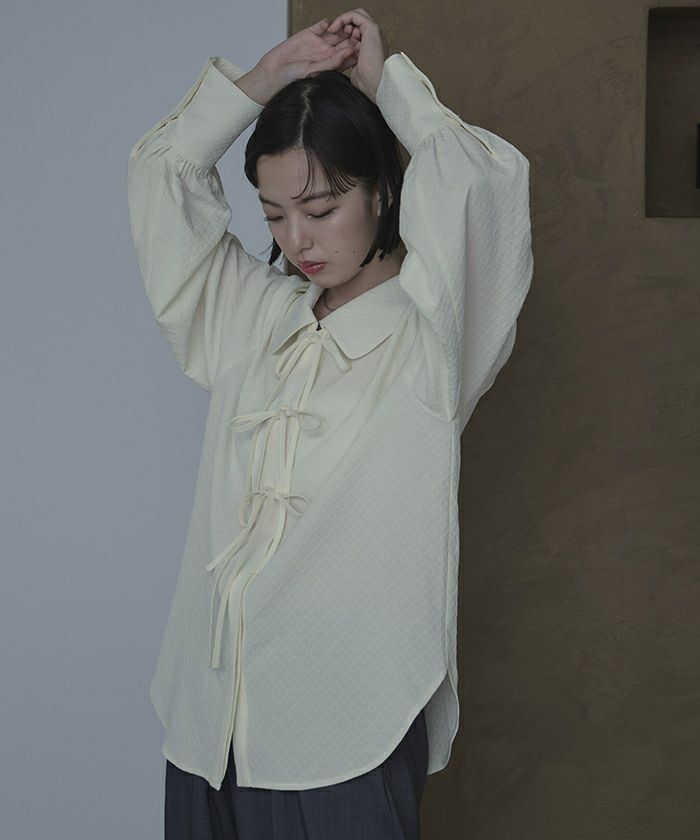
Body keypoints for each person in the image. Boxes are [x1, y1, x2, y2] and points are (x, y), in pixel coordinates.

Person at [126, 8, 534, 839]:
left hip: (346, 731)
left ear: (382, 189)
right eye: (274, 214)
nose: (297, 239)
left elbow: (485, 187)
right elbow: (161, 174)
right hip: (206, 726)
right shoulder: (250, 313)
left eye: (321, 206)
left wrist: (387, 85)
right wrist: (266, 78)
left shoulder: (432, 337)